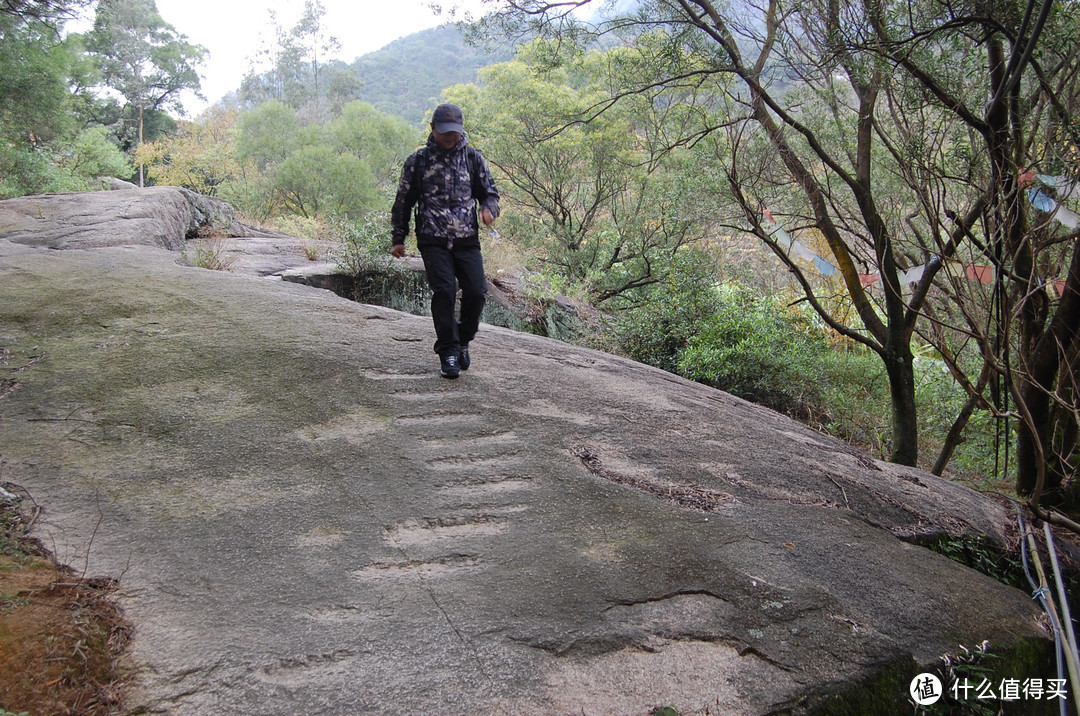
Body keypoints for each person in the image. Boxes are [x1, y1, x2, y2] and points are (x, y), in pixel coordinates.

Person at [390, 102, 501, 379]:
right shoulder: (418, 162)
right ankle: (449, 350)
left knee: (476, 292)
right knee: (444, 291)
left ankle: (462, 339)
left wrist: (489, 210)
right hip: (432, 239)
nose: (450, 137)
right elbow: (403, 202)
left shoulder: (473, 159)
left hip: (466, 239)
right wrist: (398, 237)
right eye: (444, 133)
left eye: (454, 132)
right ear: (432, 129)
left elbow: (490, 193)